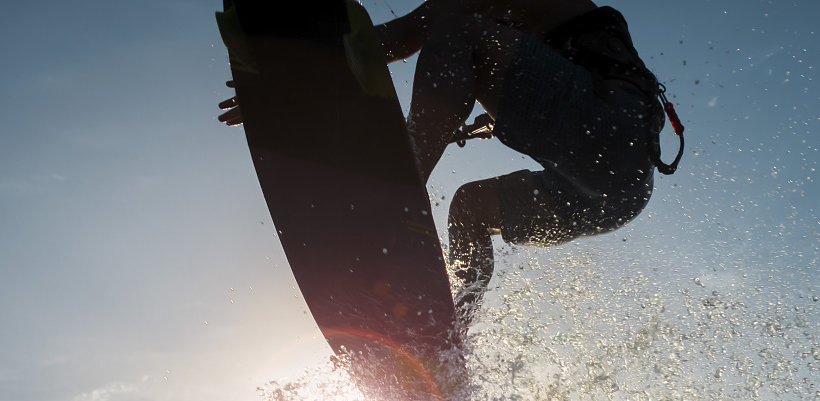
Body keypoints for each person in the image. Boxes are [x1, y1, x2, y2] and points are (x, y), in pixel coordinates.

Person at [220, 0, 681, 322]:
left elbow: (401, 37)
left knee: (460, 35)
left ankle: (399, 191)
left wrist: (287, 79)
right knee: (470, 208)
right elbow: (401, 37)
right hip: (616, 196)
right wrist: (283, 84)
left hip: (612, 127)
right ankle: (456, 325)